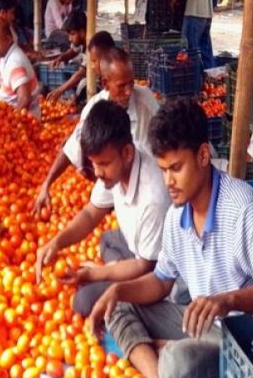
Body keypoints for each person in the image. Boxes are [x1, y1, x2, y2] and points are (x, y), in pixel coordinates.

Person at [87, 98, 253, 378]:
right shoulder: (175, 216)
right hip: (199, 321)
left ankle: (167, 368)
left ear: (203, 155)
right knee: (118, 304)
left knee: (179, 362)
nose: (168, 181)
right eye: (163, 169)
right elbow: (161, 282)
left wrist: (227, 300)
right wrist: (117, 292)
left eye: (176, 168)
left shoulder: (242, 206)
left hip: (244, 336)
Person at [34, 100, 171, 316]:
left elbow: (146, 267)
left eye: (103, 164)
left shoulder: (153, 198)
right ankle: (118, 268)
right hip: (140, 249)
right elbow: (90, 214)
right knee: (107, 239)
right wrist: (56, 243)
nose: (96, 172)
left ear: (127, 153)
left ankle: (124, 283)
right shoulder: (116, 166)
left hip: (156, 274)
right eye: (94, 163)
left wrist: (93, 274)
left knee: (83, 300)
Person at [33, 46, 158, 215]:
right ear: (105, 84)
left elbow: (166, 140)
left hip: (147, 193)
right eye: (121, 86)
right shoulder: (94, 109)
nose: (129, 92)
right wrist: (46, 184)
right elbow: (71, 149)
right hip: (113, 191)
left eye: (131, 83)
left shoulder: (146, 101)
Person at [0, 15, 41, 117]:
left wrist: (13, 122)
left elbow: (25, 99)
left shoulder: (15, 63)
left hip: (23, 124)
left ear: (8, 39)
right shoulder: (5, 56)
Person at [46, 11, 92, 105]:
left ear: (82, 32)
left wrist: (59, 90)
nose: (70, 39)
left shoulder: (91, 45)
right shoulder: (81, 41)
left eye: (72, 34)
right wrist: (61, 58)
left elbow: (81, 73)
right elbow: (73, 51)